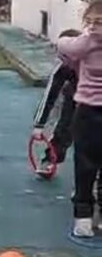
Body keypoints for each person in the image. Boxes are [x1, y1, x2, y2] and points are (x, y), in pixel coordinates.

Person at [54, 0, 102, 239]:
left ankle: (86, 217)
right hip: (88, 112)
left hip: (88, 111)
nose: (92, 27)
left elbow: (64, 45)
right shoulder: (87, 40)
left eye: (98, 22)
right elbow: (67, 48)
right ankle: (86, 217)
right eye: (89, 21)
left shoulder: (86, 42)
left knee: (86, 165)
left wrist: (71, 41)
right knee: (88, 165)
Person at [32, 31, 80, 178]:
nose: (61, 58)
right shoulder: (63, 68)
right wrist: (39, 124)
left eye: (65, 55)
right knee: (64, 128)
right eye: (60, 54)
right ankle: (51, 159)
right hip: (74, 96)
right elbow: (50, 95)